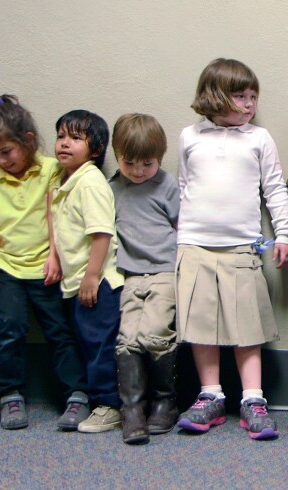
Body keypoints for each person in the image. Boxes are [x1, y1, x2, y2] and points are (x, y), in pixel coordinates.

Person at [175, 58, 288, 440]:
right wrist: (179, 237)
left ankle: (252, 399)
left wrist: (285, 234)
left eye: (253, 97)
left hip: (242, 245)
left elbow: (274, 189)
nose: (249, 105)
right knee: (201, 323)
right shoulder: (189, 137)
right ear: (214, 97)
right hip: (194, 245)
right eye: (240, 97)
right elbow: (182, 188)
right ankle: (209, 395)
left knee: (246, 324)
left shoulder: (258, 138)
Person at [0, 95, 89, 431]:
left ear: (27, 140)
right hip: (5, 266)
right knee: (10, 329)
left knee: (60, 330)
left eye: (5, 152)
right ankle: (10, 394)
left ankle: (76, 392)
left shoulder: (52, 169)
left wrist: (55, 256)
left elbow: (57, 217)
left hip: (45, 266)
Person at [51, 110, 124, 434]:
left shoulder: (90, 181)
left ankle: (110, 405)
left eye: (76, 138)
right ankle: (98, 400)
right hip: (75, 279)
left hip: (99, 281)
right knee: (86, 340)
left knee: (100, 343)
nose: (65, 144)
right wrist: (54, 259)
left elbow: (101, 233)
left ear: (95, 150)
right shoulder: (63, 179)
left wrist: (92, 277)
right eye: (61, 136)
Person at [108, 113, 180, 445]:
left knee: (155, 334)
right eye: (130, 162)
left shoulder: (167, 186)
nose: (138, 171)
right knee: (127, 338)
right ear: (118, 155)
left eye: (147, 164)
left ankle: (165, 401)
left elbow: (183, 228)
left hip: (164, 272)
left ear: (160, 158)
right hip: (130, 274)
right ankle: (133, 411)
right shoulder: (112, 188)